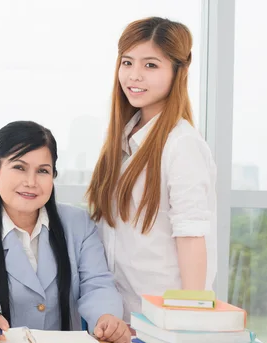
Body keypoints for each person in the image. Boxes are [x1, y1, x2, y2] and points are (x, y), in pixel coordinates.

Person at [0, 120, 130, 343]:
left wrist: (106, 317)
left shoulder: (79, 224)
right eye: (19, 167)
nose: (31, 182)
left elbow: (97, 284)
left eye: (43, 171)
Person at [86, 17, 217, 322]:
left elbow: (191, 236)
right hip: (118, 313)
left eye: (150, 66)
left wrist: (190, 319)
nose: (134, 76)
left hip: (164, 317)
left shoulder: (181, 144)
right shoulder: (125, 137)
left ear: (178, 71)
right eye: (127, 62)